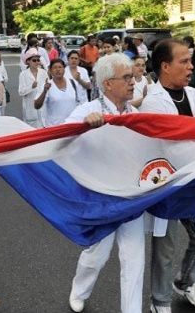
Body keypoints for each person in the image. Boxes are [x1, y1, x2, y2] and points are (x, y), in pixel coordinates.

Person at [140, 39, 195, 312]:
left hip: (194, 180)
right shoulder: (153, 102)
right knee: (165, 249)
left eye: (190, 60)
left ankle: (185, 282)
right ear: (165, 66)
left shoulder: (194, 95)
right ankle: (159, 301)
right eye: (184, 61)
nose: (190, 66)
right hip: (167, 183)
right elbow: (174, 142)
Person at [66, 53, 143, 313]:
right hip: (100, 197)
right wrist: (81, 128)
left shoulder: (135, 114)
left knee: (134, 260)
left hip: (132, 197)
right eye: (127, 77)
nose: (133, 82)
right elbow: (58, 139)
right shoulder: (87, 111)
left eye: (133, 77)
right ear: (107, 84)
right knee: (96, 256)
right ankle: (80, 290)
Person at [34, 59, 78, 127]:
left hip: (72, 126)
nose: (58, 69)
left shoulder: (72, 83)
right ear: (51, 71)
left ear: (64, 69)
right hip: (54, 128)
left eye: (60, 67)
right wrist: (45, 91)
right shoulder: (46, 85)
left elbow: (79, 103)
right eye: (55, 67)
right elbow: (36, 105)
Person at [18, 48, 48, 128]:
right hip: (30, 108)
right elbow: (21, 92)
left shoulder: (43, 73)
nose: (37, 62)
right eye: (34, 60)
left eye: (38, 60)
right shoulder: (23, 74)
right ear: (28, 62)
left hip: (42, 107)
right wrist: (31, 87)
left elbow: (47, 88)